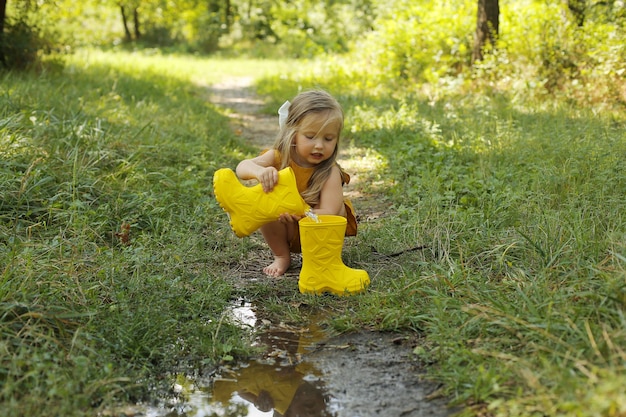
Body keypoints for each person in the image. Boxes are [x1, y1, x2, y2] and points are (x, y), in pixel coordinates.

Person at [234, 90, 357, 277]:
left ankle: (320, 260)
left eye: (328, 139)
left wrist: (299, 211)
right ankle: (282, 256)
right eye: (310, 136)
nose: (319, 145)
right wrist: (260, 172)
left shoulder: (329, 171)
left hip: (318, 231)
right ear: (293, 134)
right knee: (266, 205)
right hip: (286, 228)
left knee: (338, 212)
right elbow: (242, 168)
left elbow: (330, 211)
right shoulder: (279, 157)